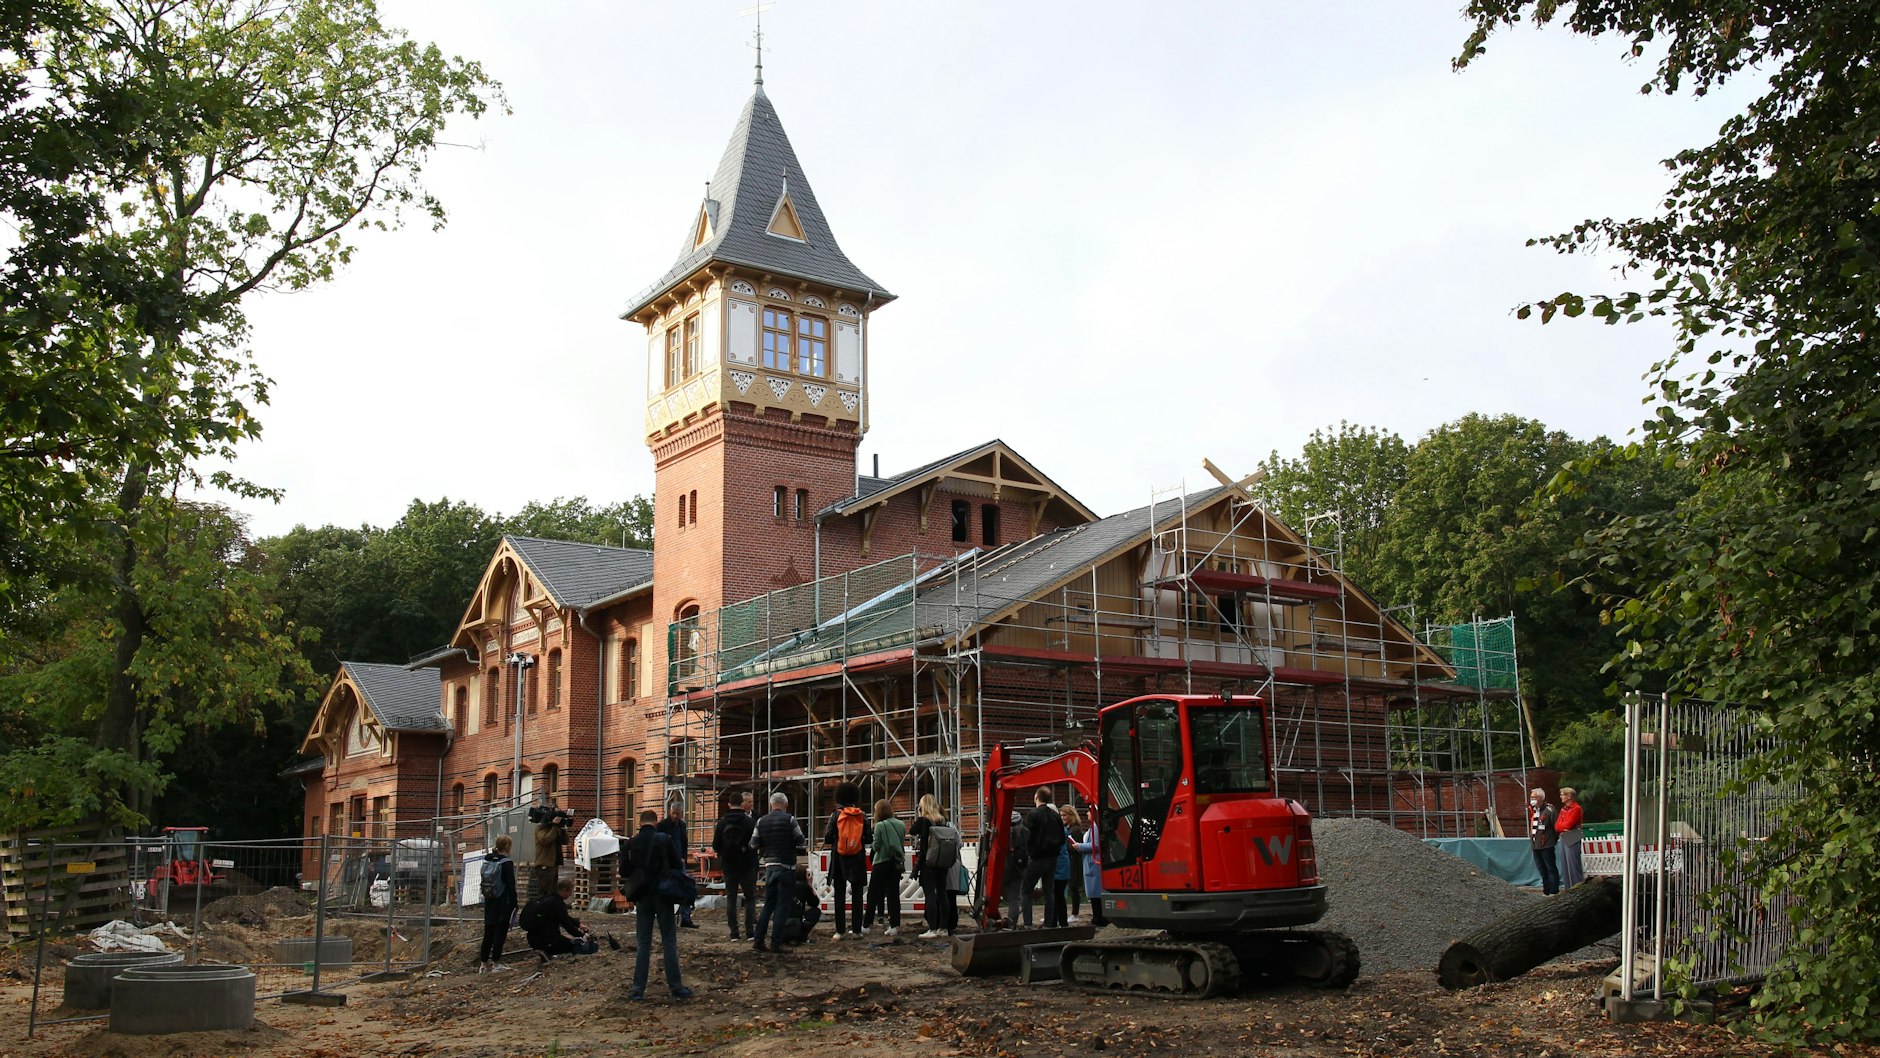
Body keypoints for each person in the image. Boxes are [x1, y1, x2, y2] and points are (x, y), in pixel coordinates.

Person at [626, 809, 692, 999]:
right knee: (669, 941)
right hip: (663, 894)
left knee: (643, 943)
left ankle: (637, 990)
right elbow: (677, 865)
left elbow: (624, 869)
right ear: (655, 822)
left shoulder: (631, 842)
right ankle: (676, 987)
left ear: (640, 823)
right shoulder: (664, 840)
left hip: (642, 896)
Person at [751, 791, 804, 953]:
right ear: (785, 805)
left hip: (770, 867)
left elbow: (753, 844)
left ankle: (758, 940)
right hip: (786, 867)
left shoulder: (761, 821)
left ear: (771, 804)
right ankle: (776, 942)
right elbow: (801, 840)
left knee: (768, 905)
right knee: (782, 906)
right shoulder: (790, 820)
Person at [822, 782, 868, 939]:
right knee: (857, 894)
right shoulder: (861, 814)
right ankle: (856, 930)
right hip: (857, 857)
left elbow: (828, 837)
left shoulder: (835, 815)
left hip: (839, 858)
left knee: (839, 894)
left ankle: (839, 931)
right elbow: (869, 837)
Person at [712, 791, 759, 941]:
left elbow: (715, 845)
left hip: (728, 865)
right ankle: (750, 932)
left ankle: (734, 933)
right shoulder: (750, 822)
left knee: (731, 898)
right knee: (750, 897)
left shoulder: (722, 823)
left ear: (729, 804)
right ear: (742, 804)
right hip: (747, 864)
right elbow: (756, 843)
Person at [910, 794, 958, 939]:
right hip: (942, 862)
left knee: (930, 894)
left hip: (928, 862)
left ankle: (932, 928)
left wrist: (919, 814)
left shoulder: (923, 820)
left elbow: (912, 831)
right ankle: (943, 928)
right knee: (942, 894)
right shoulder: (942, 820)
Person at [1022, 788, 1066, 930]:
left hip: (1037, 858)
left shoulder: (1033, 814)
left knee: (1026, 890)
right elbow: (1062, 838)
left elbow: (1026, 836)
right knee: (1049, 891)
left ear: (1036, 796)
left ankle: (1028, 923)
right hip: (1053, 858)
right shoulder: (1056, 816)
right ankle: (1048, 923)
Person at [863, 798, 906, 937]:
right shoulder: (901, 824)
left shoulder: (879, 825)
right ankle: (894, 925)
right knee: (893, 894)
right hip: (895, 862)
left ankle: (867, 924)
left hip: (881, 861)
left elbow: (876, 846)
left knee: (873, 893)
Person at [524, 877, 598, 956]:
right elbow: (567, 926)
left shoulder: (548, 898)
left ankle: (545, 950)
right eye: (570, 891)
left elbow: (564, 917)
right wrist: (582, 936)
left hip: (533, 939)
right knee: (581, 946)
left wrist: (578, 924)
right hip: (547, 940)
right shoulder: (558, 903)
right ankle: (546, 952)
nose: (570, 894)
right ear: (564, 890)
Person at [477, 834, 518, 974]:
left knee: (488, 932)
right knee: (500, 933)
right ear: (507, 846)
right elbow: (511, 885)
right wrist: (514, 903)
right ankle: (496, 963)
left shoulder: (488, 860)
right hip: (503, 901)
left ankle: (483, 964)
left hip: (489, 900)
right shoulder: (506, 863)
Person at [656, 800, 698, 928]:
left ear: (682, 813)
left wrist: (684, 857)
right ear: (670, 812)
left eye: (677, 814)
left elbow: (684, 843)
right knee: (666, 889)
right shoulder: (662, 825)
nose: (675, 816)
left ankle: (686, 918)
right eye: (673, 813)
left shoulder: (682, 826)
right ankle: (665, 917)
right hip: (666, 864)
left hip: (679, 862)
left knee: (685, 887)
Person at [1073, 804, 1105, 927]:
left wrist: (1080, 846)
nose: (1087, 814)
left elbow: (1095, 845)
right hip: (1091, 863)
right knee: (1094, 893)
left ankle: (1098, 918)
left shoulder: (1095, 827)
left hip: (1093, 864)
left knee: (1096, 893)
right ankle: (1097, 917)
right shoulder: (1093, 827)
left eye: (1089, 812)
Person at [530, 803, 567, 900]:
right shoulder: (541, 828)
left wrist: (562, 829)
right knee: (545, 892)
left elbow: (565, 841)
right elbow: (545, 840)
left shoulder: (555, 829)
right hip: (544, 864)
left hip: (554, 864)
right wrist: (554, 827)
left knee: (553, 892)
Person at [1528, 787, 1561, 896]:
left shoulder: (1550, 810)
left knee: (1550, 868)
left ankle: (1554, 891)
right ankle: (1546, 891)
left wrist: (1552, 840)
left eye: (1534, 797)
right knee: (1542, 869)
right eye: (1531, 797)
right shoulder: (1533, 810)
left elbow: (1556, 827)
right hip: (1535, 845)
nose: (1532, 799)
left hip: (1547, 845)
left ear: (1541, 798)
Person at [782, 863, 823, 944]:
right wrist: (810, 885)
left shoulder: (784, 886)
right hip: (796, 924)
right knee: (816, 911)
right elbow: (815, 903)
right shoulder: (804, 886)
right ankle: (801, 936)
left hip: (781, 926)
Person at [1001, 810, 1030, 925]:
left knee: (1006, 898)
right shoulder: (1025, 831)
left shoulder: (1003, 831)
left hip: (1004, 867)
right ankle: (1013, 923)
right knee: (1014, 898)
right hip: (1020, 867)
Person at [1555, 786, 1586, 889]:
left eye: (1563, 795)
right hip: (1564, 836)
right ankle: (1568, 888)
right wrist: (1562, 827)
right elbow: (1557, 826)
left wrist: (1563, 827)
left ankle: (1577, 888)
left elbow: (1568, 825)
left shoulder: (1576, 808)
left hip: (1573, 836)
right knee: (1565, 865)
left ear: (1569, 796)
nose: (1561, 797)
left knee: (1573, 865)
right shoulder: (1563, 809)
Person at [1061, 804, 1085, 923]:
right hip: (1070, 861)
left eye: (1064, 815)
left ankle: (1075, 913)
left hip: (1074, 862)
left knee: (1074, 888)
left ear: (1071, 815)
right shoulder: (1068, 828)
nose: (1062, 818)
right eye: (1061, 815)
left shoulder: (1075, 830)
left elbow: (1077, 847)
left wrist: (1067, 845)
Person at [1050, 831, 1072, 928]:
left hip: (1056, 865)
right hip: (1063, 866)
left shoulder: (1054, 831)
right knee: (1059, 895)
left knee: (1054, 895)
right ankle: (1062, 921)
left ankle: (1053, 921)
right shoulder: (1063, 831)